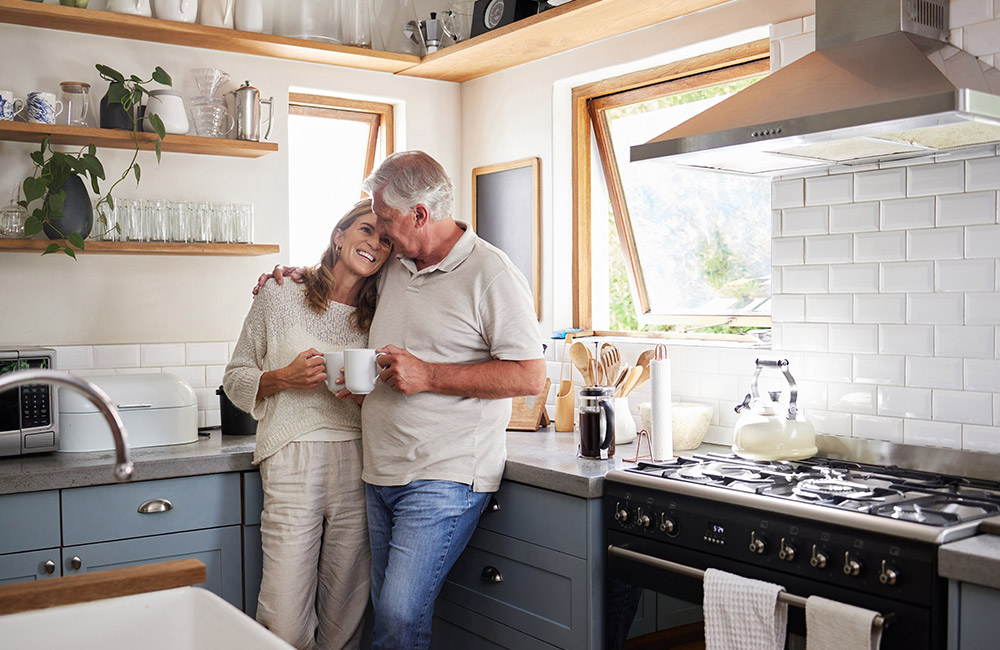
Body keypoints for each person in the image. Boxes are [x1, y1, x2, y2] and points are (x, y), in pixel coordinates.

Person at [263, 151, 547, 650]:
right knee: (384, 617)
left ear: (420, 214)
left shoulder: (492, 274)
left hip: (445, 475)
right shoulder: (396, 262)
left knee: (397, 614)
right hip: (379, 472)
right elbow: (344, 272)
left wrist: (429, 374)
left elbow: (529, 376)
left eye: (388, 219)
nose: (383, 233)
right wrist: (293, 276)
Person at [224, 199, 392, 650]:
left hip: (359, 460)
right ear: (339, 236)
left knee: (346, 613)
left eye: (385, 239)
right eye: (365, 230)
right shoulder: (280, 295)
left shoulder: (382, 316)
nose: (374, 244)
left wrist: (361, 394)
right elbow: (236, 376)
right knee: (283, 618)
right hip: (291, 457)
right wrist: (284, 378)